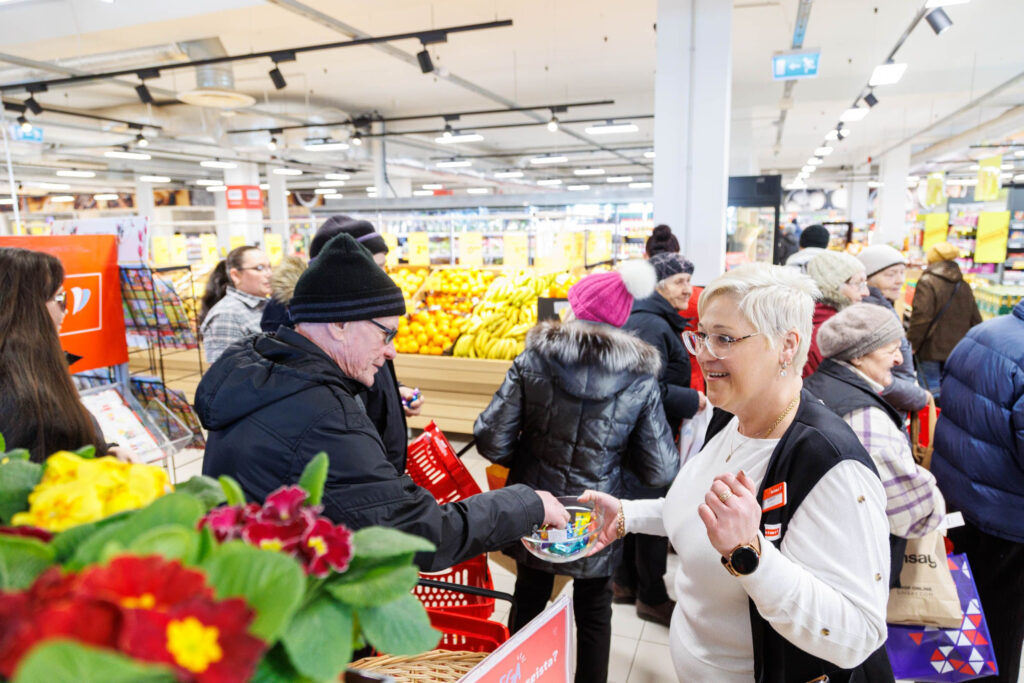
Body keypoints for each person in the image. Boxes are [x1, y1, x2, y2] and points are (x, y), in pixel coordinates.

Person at [581, 263, 893, 683]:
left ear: (787, 345)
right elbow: (704, 511)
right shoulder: (730, 417)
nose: (704, 352)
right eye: (702, 335)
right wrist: (625, 515)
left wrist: (750, 553)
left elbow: (859, 634)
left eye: (724, 338)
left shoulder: (829, 464)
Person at [197, 234, 568, 572]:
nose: (391, 351)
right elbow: (420, 534)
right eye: (385, 333)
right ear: (339, 324)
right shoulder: (324, 416)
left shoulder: (264, 370)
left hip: (251, 582)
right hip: (291, 608)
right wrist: (526, 504)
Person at [474, 260, 678, 683]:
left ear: (576, 308)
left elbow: (491, 440)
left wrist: (530, 452)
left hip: (535, 507)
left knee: (529, 596)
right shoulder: (640, 376)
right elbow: (660, 468)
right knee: (594, 609)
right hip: (595, 514)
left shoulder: (534, 359)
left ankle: (519, 676)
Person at [259, 216, 421, 473]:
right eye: (375, 267)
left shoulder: (364, 320)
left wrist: (394, 392)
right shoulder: (305, 326)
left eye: (384, 267)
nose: (384, 277)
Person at [804, 304, 946, 585]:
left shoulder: (815, 384)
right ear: (858, 356)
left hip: (822, 548)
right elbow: (909, 510)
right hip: (854, 563)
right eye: (890, 350)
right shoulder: (865, 416)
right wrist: (937, 508)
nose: (897, 360)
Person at [931, 298, 1024, 683]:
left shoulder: (983, 332)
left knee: (961, 608)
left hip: (960, 499)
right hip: (1007, 515)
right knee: (998, 629)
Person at [616, 252, 706, 625]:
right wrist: (693, 399)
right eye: (680, 281)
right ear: (658, 286)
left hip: (645, 431)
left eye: (689, 279)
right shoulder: (651, 324)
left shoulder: (657, 318)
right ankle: (651, 595)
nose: (689, 288)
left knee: (636, 503)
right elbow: (641, 386)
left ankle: (624, 584)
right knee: (653, 511)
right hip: (646, 435)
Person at [0, 247, 106, 462]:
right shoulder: (24, 400)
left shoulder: (29, 373)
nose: (65, 310)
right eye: (59, 298)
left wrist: (108, 450)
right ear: (27, 308)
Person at [906, 241, 982, 402]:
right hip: (958, 350)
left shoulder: (927, 281)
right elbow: (976, 318)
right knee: (951, 391)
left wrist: (912, 343)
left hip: (931, 347)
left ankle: (932, 424)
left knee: (931, 392)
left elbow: (921, 317)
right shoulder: (963, 284)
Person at [856, 245, 929, 412]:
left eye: (902, 272)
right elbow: (879, 378)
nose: (900, 280)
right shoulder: (873, 315)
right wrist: (917, 396)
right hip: (886, 407)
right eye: (891, 274)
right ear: (867, 279)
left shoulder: (883, 307)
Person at [198, 245, 272, 364]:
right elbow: (226, 372)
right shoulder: (227, 314)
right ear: (236, 275)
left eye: (269, 267)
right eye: (259, 268)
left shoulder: (268, 305)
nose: (268, 274)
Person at [802, 249, 868, 377]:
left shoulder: (826, 323)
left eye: (865, 283)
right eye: (858, 284)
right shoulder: (827, 334)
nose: (866, 292)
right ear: (833, 286)